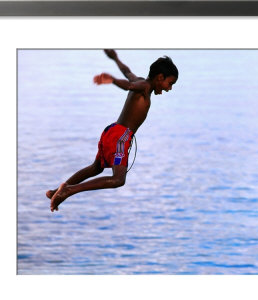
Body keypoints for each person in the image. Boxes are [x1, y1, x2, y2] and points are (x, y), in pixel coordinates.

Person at [46, 50, 178, 212]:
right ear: (160, 77)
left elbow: (127, 72)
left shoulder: (141, 82)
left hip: (111, 130)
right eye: (170, 83)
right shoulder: (144, 86)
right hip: (120, 136)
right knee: (118, 179)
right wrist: (113, 80)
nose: (170, 88)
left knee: (96, 168)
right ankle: (69, 190)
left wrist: (115, 57)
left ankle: (56, 191)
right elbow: (129, 85)